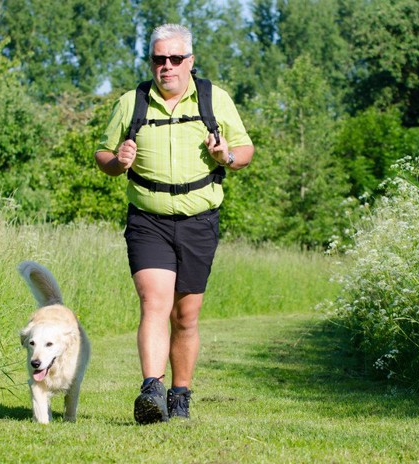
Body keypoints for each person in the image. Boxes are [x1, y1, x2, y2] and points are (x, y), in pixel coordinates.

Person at [94, 23, 254, 424]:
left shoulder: (214, 100)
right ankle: (152, 390)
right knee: (154, 303)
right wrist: (118, 163)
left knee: (186, 316)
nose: (166, 66)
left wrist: (225, 157)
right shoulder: (132, 102)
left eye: (175, 59)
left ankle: (180, 396)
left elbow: (245, 150)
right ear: (151, 62)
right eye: (158, 59)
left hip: (200, 220)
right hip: (148, 220)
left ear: (190, 62)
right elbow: (103, 154)